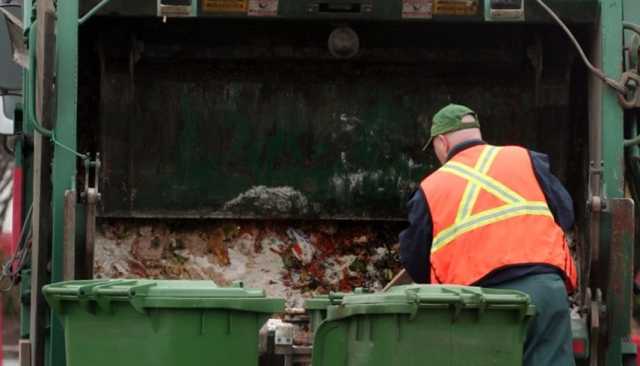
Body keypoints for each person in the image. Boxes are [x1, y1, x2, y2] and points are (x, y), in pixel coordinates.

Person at [399, 103, 577, 366]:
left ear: (442, 142)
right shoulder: (524, 158)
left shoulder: (432, 187)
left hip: (481, 306)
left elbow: (415, 259)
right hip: (544, 290)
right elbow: (566, 213)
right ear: (477, 133)